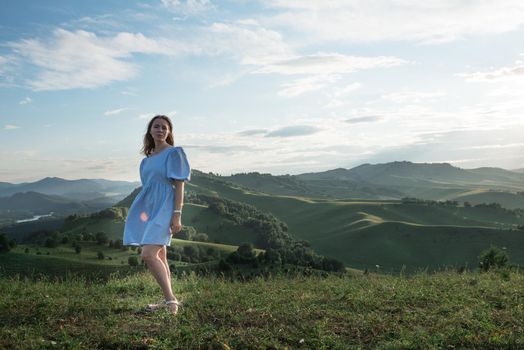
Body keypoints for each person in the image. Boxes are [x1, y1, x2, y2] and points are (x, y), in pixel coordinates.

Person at [123, 115, 191, 315]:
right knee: (160, 254)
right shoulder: (146, 161)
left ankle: (171, 301)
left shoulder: (174, 153)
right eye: (156, 127)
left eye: (164, 127)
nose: (160, 130)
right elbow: (148, 188)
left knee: (148, 254)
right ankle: (167, 299)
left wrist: (177, 214)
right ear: (150, 131)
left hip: (166, 208)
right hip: (149, 209)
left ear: (168, 132)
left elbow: (179, 186)